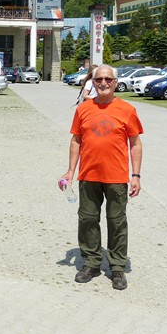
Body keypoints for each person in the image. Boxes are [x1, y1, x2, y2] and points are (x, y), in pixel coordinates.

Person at [60, 64, 143, 290]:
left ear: (115, 83)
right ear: (93, 82)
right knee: (87, 219)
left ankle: (117, 267)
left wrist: (136, 175)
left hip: (117, 177)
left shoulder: (127, 109)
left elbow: (135, 144)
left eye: (108, 79)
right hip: (89, 175)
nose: (103, 83)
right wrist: (70, 170)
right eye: (99, 80)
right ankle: (91, 263)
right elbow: (76, 140)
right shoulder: (83, 109)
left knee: (117, 222)